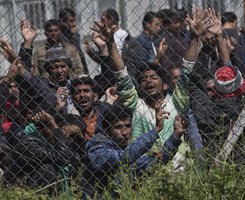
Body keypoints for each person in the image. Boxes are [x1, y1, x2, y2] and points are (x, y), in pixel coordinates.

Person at [92, 8, 207, 166]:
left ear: (165, 84)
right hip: (143, 169)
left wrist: (195, 37)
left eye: (154, 77)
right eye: (144, 78)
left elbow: (186, 71)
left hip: (176, 169)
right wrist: (111, 42)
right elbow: (122, 75)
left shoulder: (176, 103)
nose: (148, 81)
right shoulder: (135, 105)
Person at [83, 102, 187, 199]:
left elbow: (155, 163)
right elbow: (124, 158)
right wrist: (155, 130)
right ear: (107, 132)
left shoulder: (123, 149)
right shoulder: (97, 145)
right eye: (118, 127)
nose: (124, 132)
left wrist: (176, 136)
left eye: (128, 126)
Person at [58, 8, 89, 74]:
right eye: (71, 21)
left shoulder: (69, 33)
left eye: (74, 21)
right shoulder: (58, 37)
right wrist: (74, 35)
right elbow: (74, 51)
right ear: (62, 21)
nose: (74, 24)